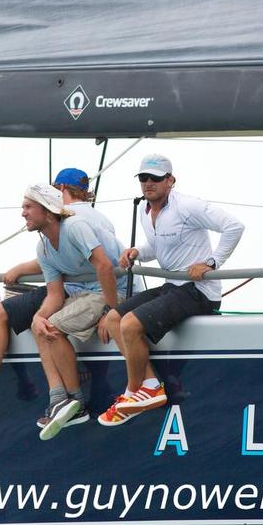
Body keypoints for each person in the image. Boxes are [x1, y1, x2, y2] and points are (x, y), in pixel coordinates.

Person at [0, 184, 126, 441]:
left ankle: (75, 402)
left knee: (53, 326)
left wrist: (112, 311)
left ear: (49, 211)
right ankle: (60, 399)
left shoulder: (75, 228)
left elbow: (105, 267)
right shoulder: (43, 248)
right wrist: (38, 316)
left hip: (108, 293)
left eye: (28, 207)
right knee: (41, 324)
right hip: (79, 295)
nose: (23, 213)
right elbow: (54, 294)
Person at [100, 153, 245, 426]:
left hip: (199, 291)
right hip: (173, 286)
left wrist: (212, 262)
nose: (148, 183)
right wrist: (136, 252)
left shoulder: (188, 206)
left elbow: (234, 226)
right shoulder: (146, 211)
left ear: (170, 180)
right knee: (114, 318)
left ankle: (133, 392)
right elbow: (157, 248)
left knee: (130, 325)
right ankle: (151, 384)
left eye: (155, 178)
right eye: (143, 178)